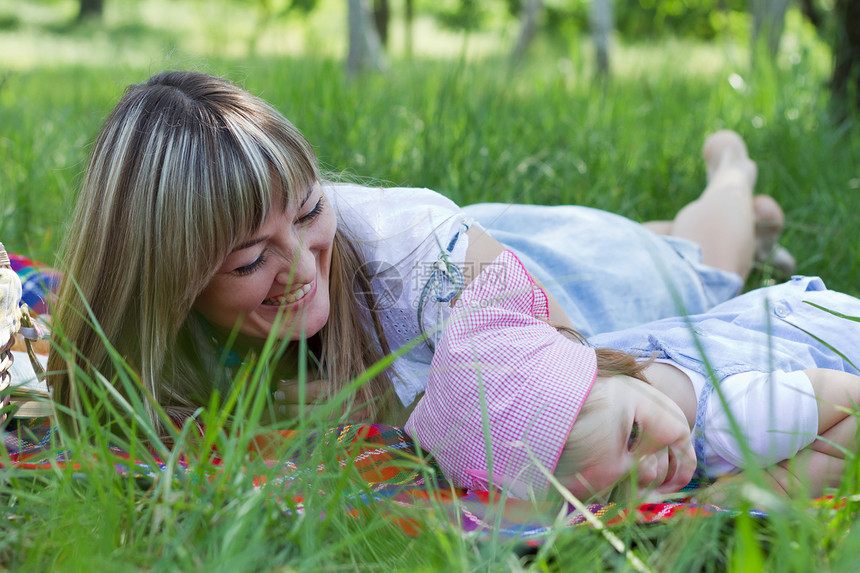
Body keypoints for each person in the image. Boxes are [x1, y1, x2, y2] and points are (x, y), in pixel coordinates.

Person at [47, 70, 791, 433]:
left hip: (545, 297)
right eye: (249, 261)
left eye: (309, 210)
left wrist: (386, 405)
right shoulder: (130, 335)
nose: (302, 268)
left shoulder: (416, 257)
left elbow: (585, 379)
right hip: (479, 250)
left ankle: (731, 174)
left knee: (699, 268)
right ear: (167, 279)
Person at [405, 249, 860, 502]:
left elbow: (851, 403)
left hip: (833, 336)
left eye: (633, 436)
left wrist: (772, 486)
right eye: (615, 490)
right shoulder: (607, 388)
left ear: (611, 366)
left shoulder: (741, 419)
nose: (650, 469)